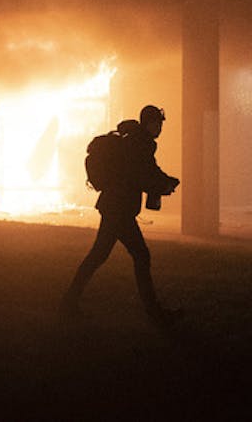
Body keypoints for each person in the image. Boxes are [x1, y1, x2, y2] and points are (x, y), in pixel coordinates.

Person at [61, 104, 182, 326]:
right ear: (147, 123)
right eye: (157, 124)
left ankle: (69, 301)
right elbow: (142, 176)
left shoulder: (136, 142)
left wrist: (164, 181)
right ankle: (152, 310)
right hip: (119, 210)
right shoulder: (139, 145)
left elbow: (149, 171)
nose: (160, 128)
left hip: (115, 207)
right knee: (140, 255)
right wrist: (163, 184)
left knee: (100, 255)